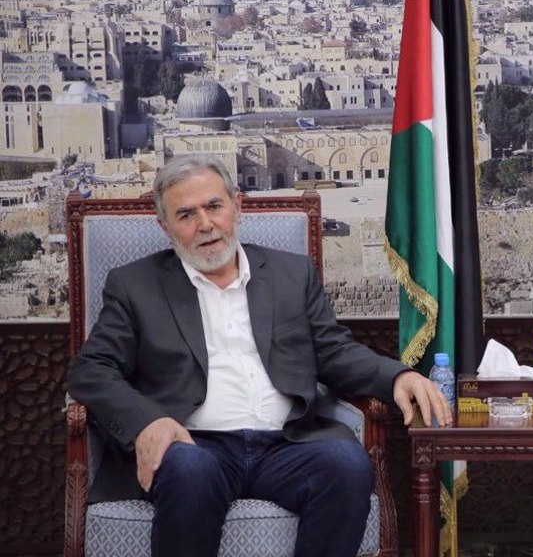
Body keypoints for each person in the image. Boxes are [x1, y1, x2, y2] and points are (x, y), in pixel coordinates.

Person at [67, 155, 452, 557]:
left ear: (237, 206)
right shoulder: (135, 285)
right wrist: (148, 422)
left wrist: (397, 378)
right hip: (195, 446)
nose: (205, 225)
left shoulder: (291, 273)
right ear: (165, 227)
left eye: (214, 206)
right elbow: (91, 370)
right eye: (185, 215)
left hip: (285, 443)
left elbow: (334, 351)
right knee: (189, 470)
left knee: (347, 464)